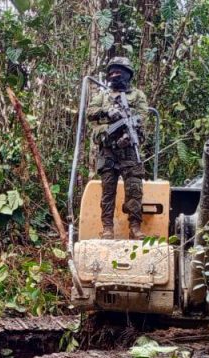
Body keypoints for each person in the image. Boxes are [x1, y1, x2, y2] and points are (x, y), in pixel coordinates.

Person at [87, 56, 149, 239]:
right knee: (108, 191)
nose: (114, 75)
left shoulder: (137, 96)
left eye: (118, 72)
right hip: (108, 151)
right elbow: (90, 112)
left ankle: (135, 227)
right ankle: (107, 228)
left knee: (135, 190)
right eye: (111, 72)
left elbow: (142, 116)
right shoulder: (102, 96)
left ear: (128, 74)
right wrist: (107, 111)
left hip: (129, 150)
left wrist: (127, 132)